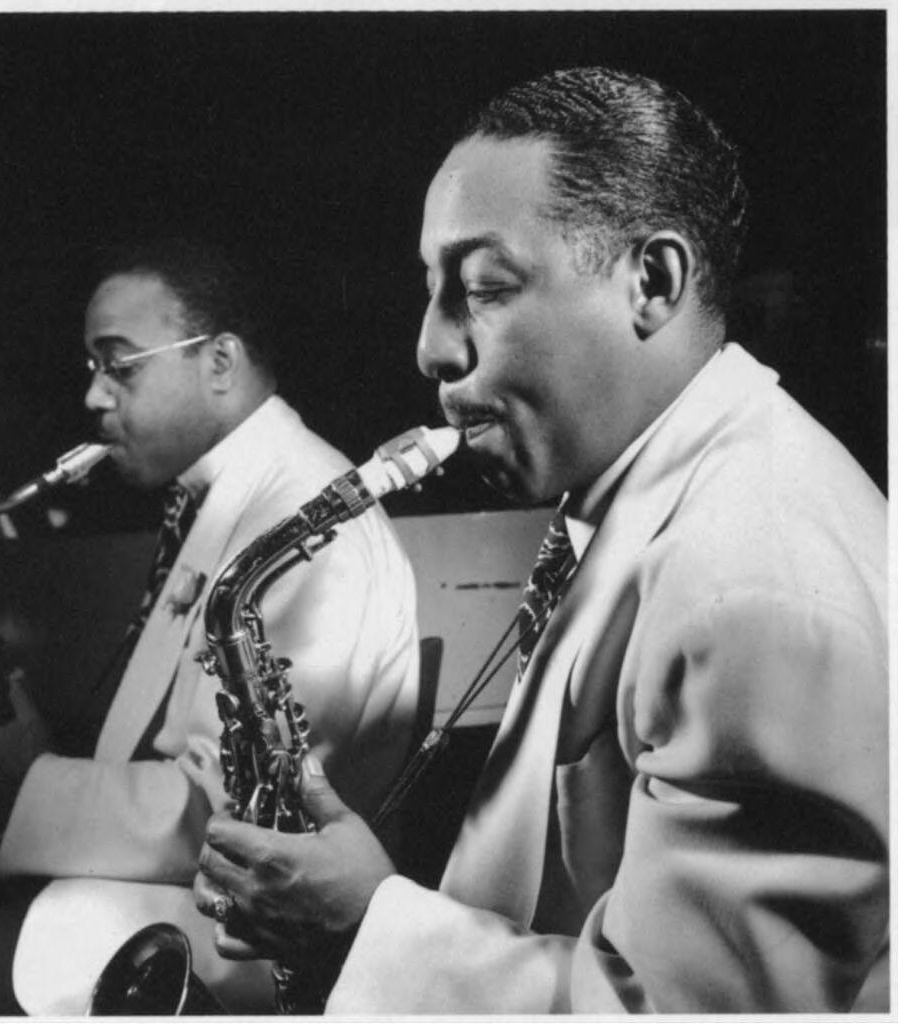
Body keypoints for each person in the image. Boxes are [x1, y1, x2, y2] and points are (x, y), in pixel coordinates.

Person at [193, 67, 890, 1013]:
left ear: (652, 282)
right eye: (434, 288)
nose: (431, 351)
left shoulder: (752, 590)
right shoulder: (640, 486)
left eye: (484, 287)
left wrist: (368, 931)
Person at [0, 238, 421, 1013]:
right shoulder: (223, 493)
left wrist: (22, 783)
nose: (96, 399)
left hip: (237, 943)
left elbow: (232, 816)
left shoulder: (307, 522)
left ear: (220, 363)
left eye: (120, 365)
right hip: (165, 900)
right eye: (92, 369)